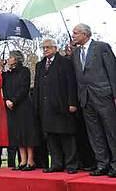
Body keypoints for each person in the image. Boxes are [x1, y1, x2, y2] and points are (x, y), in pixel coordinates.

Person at [71, 24, 116, 177]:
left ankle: (115, 165)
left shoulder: (101, 47)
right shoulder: (75, 53)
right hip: (86, 98)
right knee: (95, 134)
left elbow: (112, 70)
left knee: (111, 131)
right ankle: (102, 164)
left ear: (85, 34)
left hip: (103, 96)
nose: (73, 35)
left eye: (76, 33)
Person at [33, 39, 78, 174]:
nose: (45, 50)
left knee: (66, 136)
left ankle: (71, 164)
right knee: (51, 137)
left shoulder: (65, 62)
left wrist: (72, 102)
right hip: (45, 107)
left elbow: (71, 83)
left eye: (48, 47)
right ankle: (56, 163)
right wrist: (36, 105)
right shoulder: (40, 65)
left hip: (62, 105)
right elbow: (37, 87)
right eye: (43, 48)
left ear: (55, 48)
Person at [1, 50, 40, 171]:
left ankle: (30, 160)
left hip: (23, 106)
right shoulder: (7, 73)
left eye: (10, 57)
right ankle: (22, 160)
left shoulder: (24, 71)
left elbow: (24, 88)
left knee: (27, 133)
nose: (8, 59)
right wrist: (7, 100)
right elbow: (3, 87)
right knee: (17, 134)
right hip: (11, 107)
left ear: (16, 59)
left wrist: (13, 100)